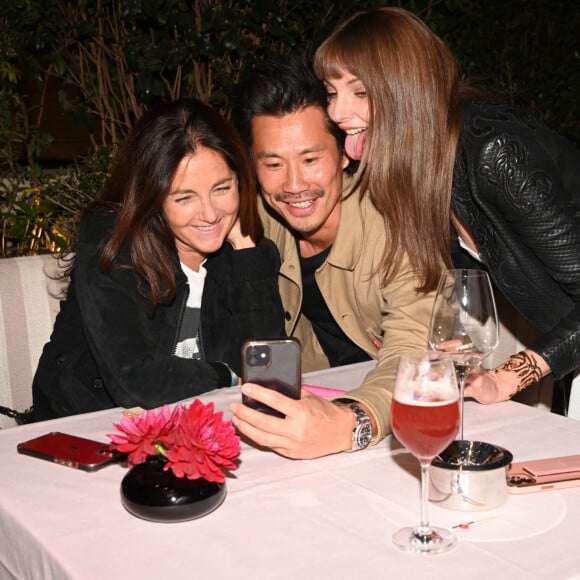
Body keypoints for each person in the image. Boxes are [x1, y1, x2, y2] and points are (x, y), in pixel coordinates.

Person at [313, 7, 580, 405]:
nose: (336, 112)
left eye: (360, 92)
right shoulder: (421, 167)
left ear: (406, 90)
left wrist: (508, 377)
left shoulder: (494, 154)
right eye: (332, 92)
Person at [229, 54, 437, 459]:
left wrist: (351, 423)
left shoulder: (397, 225)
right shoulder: (256, 219)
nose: (293, 185)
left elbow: (413, 357)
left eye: (310, 160)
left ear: (344, 154)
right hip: (307, 409)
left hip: (396, 426)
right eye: (273, 164)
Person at [31, 98, 285, 421]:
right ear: (152, 195)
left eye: (222, 189)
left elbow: (272, 374)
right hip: (83, 426)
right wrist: (223, 375)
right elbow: (135, 381)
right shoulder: (113, 240)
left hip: (199, 425)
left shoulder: (239, 249)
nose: (210, 214)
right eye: (184, 198)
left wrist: (247, 251)